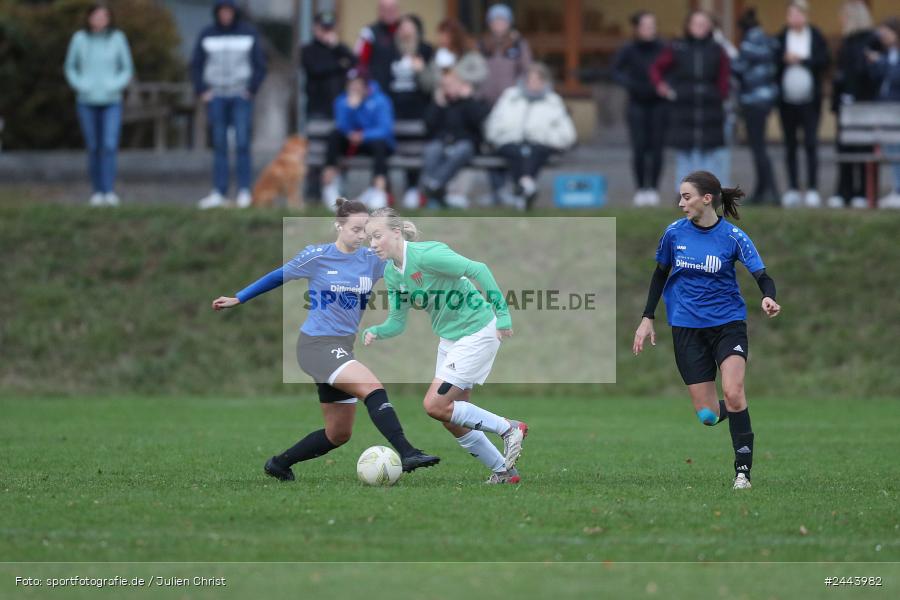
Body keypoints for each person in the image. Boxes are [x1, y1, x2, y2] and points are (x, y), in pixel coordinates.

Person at [210, 198, 439, 481]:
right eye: (356, 229)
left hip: (341, 348)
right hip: (316, 346)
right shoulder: (316, 256)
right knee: (372, 387)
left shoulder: (371, 260)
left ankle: (279, 464)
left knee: (338, 434)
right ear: (338, 226)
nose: (361, 236)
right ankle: (407, 452)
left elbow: (406, 262)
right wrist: (239, 297)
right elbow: (277, 276)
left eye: (366, 231)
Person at [632, 170, 781, 490]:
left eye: (686, 197)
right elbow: (659, 274)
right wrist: (647, 318)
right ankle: (733, 408)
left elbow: (762, 275)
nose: (681, 203)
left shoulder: (732, 237)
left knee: (734, 391)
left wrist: (768, 297)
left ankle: (743, 472)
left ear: (706, 199)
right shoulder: (673, 234)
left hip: (728, 325)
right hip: (686, 328)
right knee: (708, 416)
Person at [362, 208, 527, 484]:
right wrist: (378, 331)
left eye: (377, 236)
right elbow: (397, 321)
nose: (372, 243)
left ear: (396, 232)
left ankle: (509, 428)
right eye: (369, 238)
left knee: (434, 404)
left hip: (477, 330)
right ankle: (504, 471)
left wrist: (504, 314)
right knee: (452, 417)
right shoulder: (392, 274)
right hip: (450, 339)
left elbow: (478, 269)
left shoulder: (426, 255)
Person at [191, 0, 268, 210]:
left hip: (240, 95)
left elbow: (260, 64)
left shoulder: (248, 32)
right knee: (219, 144)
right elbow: (196, 64)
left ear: (235, 12)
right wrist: (201, 90)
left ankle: (244, 190)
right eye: (222, 11)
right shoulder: (207, 33)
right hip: (216, 96)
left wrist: (251, 90)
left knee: (242, 143)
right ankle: (219, 191)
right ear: (217, 13)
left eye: (229, 11)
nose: (226, 15)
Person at [650, 10, 731, 191]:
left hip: (710, 108)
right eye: (696, 23)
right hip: (683, 108)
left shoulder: (717, 49)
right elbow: (657, 68)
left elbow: (724, 76)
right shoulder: (678, 47)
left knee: (710, 153)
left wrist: (720, 95)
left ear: (709, 26)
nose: (699, 27)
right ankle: (685, 194)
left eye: (703, 24)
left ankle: (709, 193)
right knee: (685, 153)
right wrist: (663, 87)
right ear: (689, 26)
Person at [64, 2, 133, 207]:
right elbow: (70, 67)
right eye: (96, 16)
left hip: (112, 100)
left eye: (104, 16)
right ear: (89, 18)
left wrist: (115, 85)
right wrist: (81, 85)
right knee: (94, 147)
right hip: (87, 100)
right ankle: (96, 191)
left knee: (109, 146)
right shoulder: (79, 39)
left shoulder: (117, 38)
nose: (100, 20)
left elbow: (127, 68)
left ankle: (108, 190)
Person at [485, 63, 576, 210]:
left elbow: (567, 134)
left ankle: (522, 189)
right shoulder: (510, 97)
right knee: (518, 152)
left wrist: (543, 137)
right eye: (530, 80)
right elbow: (494, 123)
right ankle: (527, 186)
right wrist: (501, 136)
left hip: (541, 144)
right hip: (510, 142)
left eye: (537, 80)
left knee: (531, 152)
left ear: (545, 82)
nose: (533, 84)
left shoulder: (553, 101)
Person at [776, 0, 830, 208]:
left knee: (810, 143)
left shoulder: (815, 36)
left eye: (798, 14)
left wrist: (802, 60)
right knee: (790, 145)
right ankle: (792, 188)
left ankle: (813, 188)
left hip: (810, 101)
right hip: (786, 101)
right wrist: (784, 60)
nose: (794, 18)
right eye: (791, 14)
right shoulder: (782, 37)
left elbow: (824, 60)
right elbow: (774, 62)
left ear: (805, 16)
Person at [478, 4, 532, 205]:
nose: (499, 24)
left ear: (509, 23)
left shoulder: (518, 44)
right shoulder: (482, 44)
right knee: (489, 146)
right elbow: (474, 70)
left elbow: (526, 71)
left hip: (510, 106)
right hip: (486, 104)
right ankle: (495, 189)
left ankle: (508, 187)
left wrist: (516, 93)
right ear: (490, 23)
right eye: (495, 20)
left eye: (503, 20)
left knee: (508, 144)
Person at [611, 11, 666, 207]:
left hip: (659, 104)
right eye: (646, 25)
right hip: (637, 104)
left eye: (653, 25)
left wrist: (666, 85)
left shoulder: (663, 48)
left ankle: (654, 189)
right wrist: (631, 84)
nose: (650, 29)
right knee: (639, 148)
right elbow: (615, 71)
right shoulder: (629, 49)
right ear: (637, 28)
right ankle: (641, 189)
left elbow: (674, 69)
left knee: (658, 148)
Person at [829, 0, 880, 209]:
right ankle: (844, 191)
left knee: (862, 147)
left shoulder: (871, 41)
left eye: (844, 16)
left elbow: (869, 74)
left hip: (863, 104)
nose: (841, 20)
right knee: (844, 148)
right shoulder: (846, 42)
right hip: (845, 105)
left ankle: (862, 192)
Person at [321, 72, 395, 210]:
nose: (354, 88)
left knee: (380, 144)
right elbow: (342, 126)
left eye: (357, 85)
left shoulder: (380, 100)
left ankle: (379, 190)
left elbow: (384, 129)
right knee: (334, 135)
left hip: (372, 143)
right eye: (351, 85)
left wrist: (363, 136)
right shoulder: (342, 101)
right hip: (351, 143)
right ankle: (329, 184)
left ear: (366, 87)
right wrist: (350, 109)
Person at [419, 71, 490, 208]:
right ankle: (435, 193)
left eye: (451, 85)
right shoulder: (440, 103)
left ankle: (433, 184)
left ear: (461, 85)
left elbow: (478, 121)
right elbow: (428, 126)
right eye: (444, 86)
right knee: (432, 150)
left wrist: (468, 99)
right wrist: (437, 105)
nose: (447, 89)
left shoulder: (470, 102)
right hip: (442, 143)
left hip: (465, 145)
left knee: (462, 149)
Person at [732, 8, 780, 205]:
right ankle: (765, 190)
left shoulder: (748, 45)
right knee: (760, 147)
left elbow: (738, 68)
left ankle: (770, 190)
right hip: (766, 99)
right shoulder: (768, 42)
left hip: (752, 100)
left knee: (758, 148)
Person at [387, 14, 433, 208]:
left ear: (417, 30)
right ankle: (386, 191)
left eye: (409, 27)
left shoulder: (426, 51)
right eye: (402, 27)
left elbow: (430, 86)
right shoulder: (390, 51)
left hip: (417, 110)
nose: (405, 31)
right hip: (394, 109)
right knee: (393, 150)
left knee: (415, 151)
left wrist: (420, 70)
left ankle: (413, 188)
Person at [868, 18, 900, 208]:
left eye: (886, 33)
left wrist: (881, 63)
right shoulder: (887, 54)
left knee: (898, 150)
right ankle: (897, 188)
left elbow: (895, 76)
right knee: (891, 150)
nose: (883, 37)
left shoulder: (890, 58)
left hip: (897, 110)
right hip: (884, 110)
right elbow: (875, 75)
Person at [301, 11, 356, 120]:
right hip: (318, 108)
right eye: (323, 28)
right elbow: (316, 69)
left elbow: (354, 62)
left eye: (330, 28)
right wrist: (339, 65)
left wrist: (336, 46)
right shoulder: (308, 50)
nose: (327, 32)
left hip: (340, 106)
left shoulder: (339, 49)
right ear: (315, 28)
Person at [419, 18, 488, 94]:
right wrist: (422, 71)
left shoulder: (470, 54)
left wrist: (457, 75)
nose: (441, 38)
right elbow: (427, 84)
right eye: (440, 34)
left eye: (445, 35)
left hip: (467, 99)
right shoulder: (438, 55)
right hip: (442, 101)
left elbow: (482, 74)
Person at [355, 0, 402, 94]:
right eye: (385, 9)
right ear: (379, 11)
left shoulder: (404, 30)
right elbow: (360, 61)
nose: (389, 12)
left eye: (392, 9)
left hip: (401, 88)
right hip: (377, 88)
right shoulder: (369, 32)